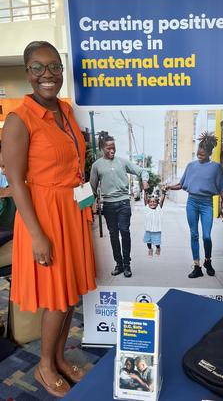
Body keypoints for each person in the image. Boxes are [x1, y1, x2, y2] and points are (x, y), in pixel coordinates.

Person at [2, 41, 96, 398]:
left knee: (69, 293)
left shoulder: (66, 110)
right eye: (38, 68)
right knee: (56, 297)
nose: (47, 75)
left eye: (54, 67)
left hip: (70, 211)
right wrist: (37, 234)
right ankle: (43, 367)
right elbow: (15, 182)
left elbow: (74, 167)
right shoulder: (19, 119)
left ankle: (58, 358)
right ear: (27, 73)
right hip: (42, 216)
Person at [166, 132, 223, 278]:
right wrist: (168, 187)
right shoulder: (191, 166)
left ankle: (208, 261)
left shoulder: (216, 167)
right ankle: (197, 267)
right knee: (194, 235)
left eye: (204, 150)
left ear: (210, 152)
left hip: (207, 204)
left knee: (206, 236)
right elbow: (181, 185)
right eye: (199, 149)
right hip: (192, 202)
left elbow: (222, 188)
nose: (200, 152)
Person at [90, 135, 149, 278]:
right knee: (113, 235)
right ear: (102, 148)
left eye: (113, 147)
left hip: (123, 203)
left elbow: (142, 171)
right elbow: (92, 187)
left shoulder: (122, 162)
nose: (112, 150)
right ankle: (119, 264)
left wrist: (145, 181)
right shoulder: (97, 165)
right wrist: (92, 203)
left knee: (124, 231)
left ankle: (127, 265)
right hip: (108, 205)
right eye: (108, 147)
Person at [143, 187, 166, 256]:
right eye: (151, 202)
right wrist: (145, 192)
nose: (152, 203)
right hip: (148, 229)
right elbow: (145, 199)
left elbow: (162, 201)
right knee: (148, 241)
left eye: (154, 202)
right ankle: (150, 249)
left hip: (156, 230)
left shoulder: (158, 208)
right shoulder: (147, 208)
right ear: (148, 203)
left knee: (157, 242)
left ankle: (158, 248)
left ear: (157, 203)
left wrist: (164, 193)